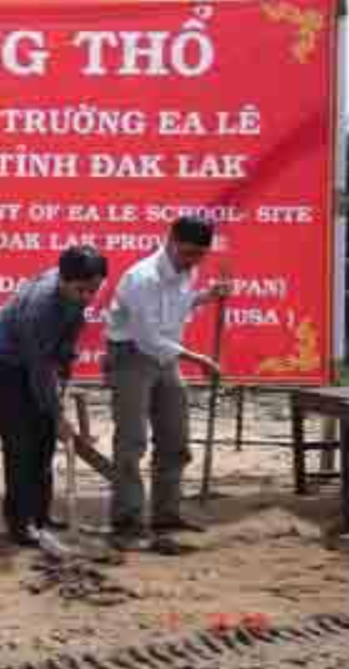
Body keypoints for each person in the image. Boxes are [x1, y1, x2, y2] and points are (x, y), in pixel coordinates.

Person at [105, 216, 229, 548]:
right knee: (132, 442)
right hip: (131, 356)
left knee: (175, 438)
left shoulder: (189, 272)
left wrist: (205, 297)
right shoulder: (141, 277)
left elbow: (176, 309)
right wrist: (199, 359)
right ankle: (128, 519)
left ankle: (166, 513)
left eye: (199, 255)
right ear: (170, 240)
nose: (192, 261)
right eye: (188, 253)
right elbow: (147, 337)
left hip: (166, 359)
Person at [0, 245, 108, 547]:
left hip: (35, 365)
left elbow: (67, 337)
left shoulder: (74, 288)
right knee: (22, 444)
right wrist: (57, 414)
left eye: (94, 289)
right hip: (4, 366)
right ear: (63, 279)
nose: (88, 296)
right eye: (83, 290)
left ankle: (40, 515)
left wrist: (66, 361)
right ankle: (20, 523)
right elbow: (38, 369)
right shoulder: (40, 306)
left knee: (44, 441)